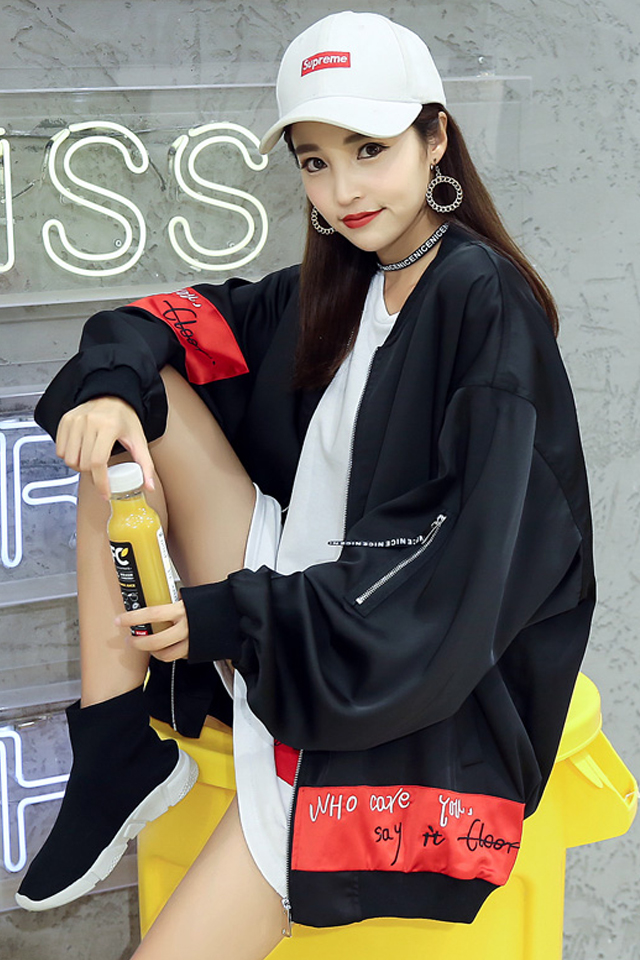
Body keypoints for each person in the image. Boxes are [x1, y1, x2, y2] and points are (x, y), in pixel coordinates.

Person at [16, 10, 595, 960]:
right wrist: (112, 387)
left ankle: (136, 746)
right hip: (288, 617)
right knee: (129, 403)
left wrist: (236, 619)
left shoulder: (480, 301)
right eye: (315, 161)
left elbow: (458, 570)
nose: (343, 190)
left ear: (436, 137)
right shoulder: (336, 287)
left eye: (370, 150)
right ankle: (115, 743)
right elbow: (162, 320)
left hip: (379, 689)